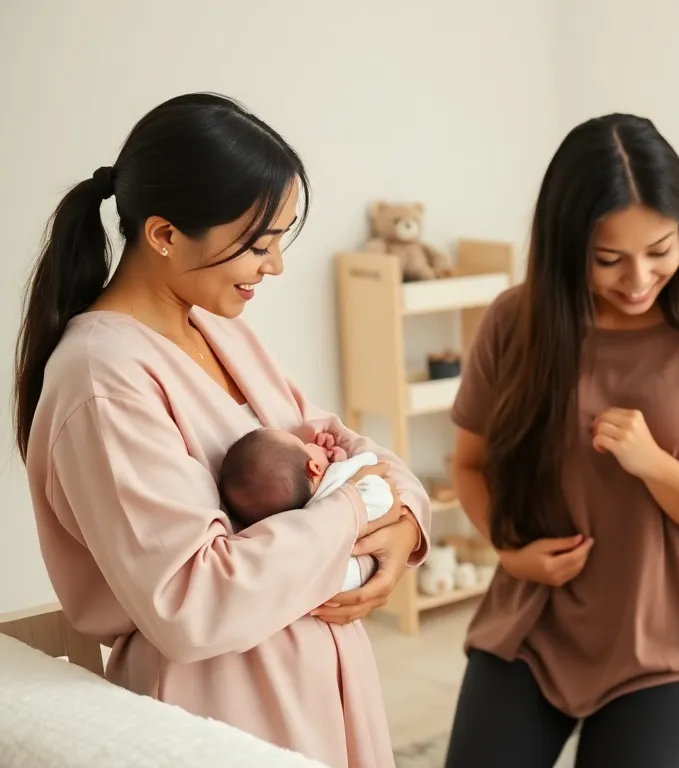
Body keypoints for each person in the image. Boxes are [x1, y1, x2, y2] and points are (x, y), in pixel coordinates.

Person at [15, 93, 430, 768]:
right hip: (225, 714)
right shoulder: (102, 378)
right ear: (164, 235)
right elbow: (193, 600)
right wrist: (357, 508)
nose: (276, 266)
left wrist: (407, 514)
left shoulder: (211, 329)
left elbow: (338, 443)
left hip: (319, 691)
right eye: (258, 245)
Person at [442, 113, 679, 768]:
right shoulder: (516, 322)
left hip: (669, 646)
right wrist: (507, 552)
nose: (637, 278)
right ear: (565, 245)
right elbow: (470, 463)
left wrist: (652, 464)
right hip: (530, 625)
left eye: (660, 250)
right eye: (609, 259)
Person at [218, 426, 395, 591]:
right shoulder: (345, 495)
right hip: (354, 571)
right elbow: (380, 493)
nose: (311, 443)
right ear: (315, 468)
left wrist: (338, 463)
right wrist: (347, 468)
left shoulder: (289, 525)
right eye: (303, 444)